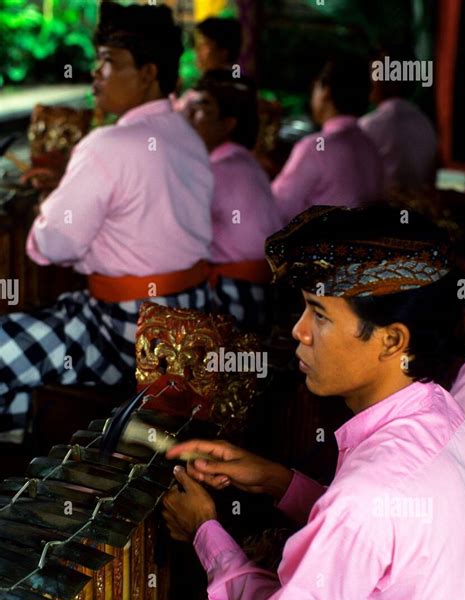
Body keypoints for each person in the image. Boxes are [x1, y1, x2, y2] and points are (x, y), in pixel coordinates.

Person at [110, 205, 465, 600]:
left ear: (392, 340)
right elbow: (388, 532)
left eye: (319, 315)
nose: (299, 331)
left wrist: (204, 531)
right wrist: (278, 480)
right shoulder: (447, 417)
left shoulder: (368, 492)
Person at [0, 2, 213, 441]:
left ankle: (27, 452)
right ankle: (26, 447)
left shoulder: (107, 145)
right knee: (36, 331)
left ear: (149, 73)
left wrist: (52, 202)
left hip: (121, 331)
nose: (96, 72)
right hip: (188, 325)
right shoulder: (188, 137)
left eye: (109, 62)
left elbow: (54, 245)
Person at [188, 69, 282, 330]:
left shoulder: (218, 168)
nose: (191, 119)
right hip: (262, 290)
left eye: (202, 110)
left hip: (236, 294)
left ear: (228, 123)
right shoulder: (244, 162)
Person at [271, 57, 384, 223]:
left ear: (326, 91)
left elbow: (276, 210)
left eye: (314, 87)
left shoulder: (314, 148)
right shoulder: (370, 146)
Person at [359, 46, 438, 194]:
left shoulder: (367, 126)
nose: (370, 81)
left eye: (374, 73)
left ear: (392, 81)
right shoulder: (426, 124)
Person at [172, 17, 242, 113]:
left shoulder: (206, 94)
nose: (197, 50)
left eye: (204, 44)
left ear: (223, 52)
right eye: (197, 44)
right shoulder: (238, 80)